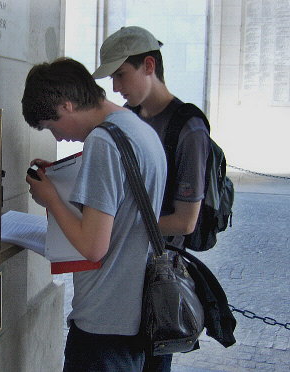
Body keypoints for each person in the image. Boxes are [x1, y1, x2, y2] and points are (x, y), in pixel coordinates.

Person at [22, 57, 167, 372]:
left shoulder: (103, 141)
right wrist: (60, 179)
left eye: (52, 125)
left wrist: (52, 201)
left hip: (105, 319)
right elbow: (125, 204)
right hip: (137, 313)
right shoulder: (136, 127)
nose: (58, 137)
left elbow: (93, 246)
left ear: (68, 104)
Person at [93, 26, 211, 372]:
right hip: (123, 266)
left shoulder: (189, 128)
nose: (115, 87)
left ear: (149, 65)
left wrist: (112, 225)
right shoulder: (129, 120)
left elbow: (185, 221)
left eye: (120, 74)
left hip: (159, 276)